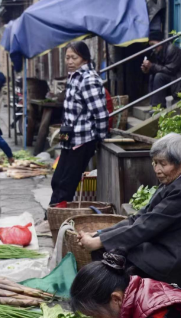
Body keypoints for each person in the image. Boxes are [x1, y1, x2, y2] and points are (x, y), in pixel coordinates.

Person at [78, 133, 181, 289]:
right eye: (155, 163)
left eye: (163, 163)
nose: (157, 169)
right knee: (110, 249)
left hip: (175, 260)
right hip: (163, 248)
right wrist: (100, 234)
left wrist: (97, 242)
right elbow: (138, 218)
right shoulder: (173, 183)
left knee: (111, 254)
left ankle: (116, 299)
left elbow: (146, 227)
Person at [49, 41, 108, 206]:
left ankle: (53, 218)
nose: (69, 61)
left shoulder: (89, 79)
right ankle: (52, 215)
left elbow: (100, 113)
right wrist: (63, 139)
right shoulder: (74, 76)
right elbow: (69, 113)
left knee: (66, 183)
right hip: (69, 137)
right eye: (67, 57)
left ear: (85, 58)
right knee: (57, 180)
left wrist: (100, 137)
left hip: (82, 140)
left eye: (73, 57)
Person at [141, 30, 181, 108]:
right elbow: (159, 68)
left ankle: (158, 107)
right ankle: (154, 105)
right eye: (150, 45)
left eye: (153, 45)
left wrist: (152, 66)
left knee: (159, 76)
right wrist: (148, 69)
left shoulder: (171, 50)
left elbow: (170, 70)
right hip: (174, 79)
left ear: (161, 42)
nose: (152, 48)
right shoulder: (159, 52)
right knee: (153, 76)